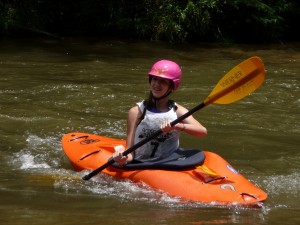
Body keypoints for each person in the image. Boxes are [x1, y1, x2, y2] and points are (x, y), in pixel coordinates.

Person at [113, 60, 207, 166]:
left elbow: (202, 131)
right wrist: (123, 158)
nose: (157, 84)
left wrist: (177, 126)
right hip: (140, 163)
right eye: (155, 79)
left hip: (168, 164)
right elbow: (130, 152)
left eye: (163, 81)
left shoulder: (177, 111)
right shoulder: (135, 112)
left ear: (172, 86)